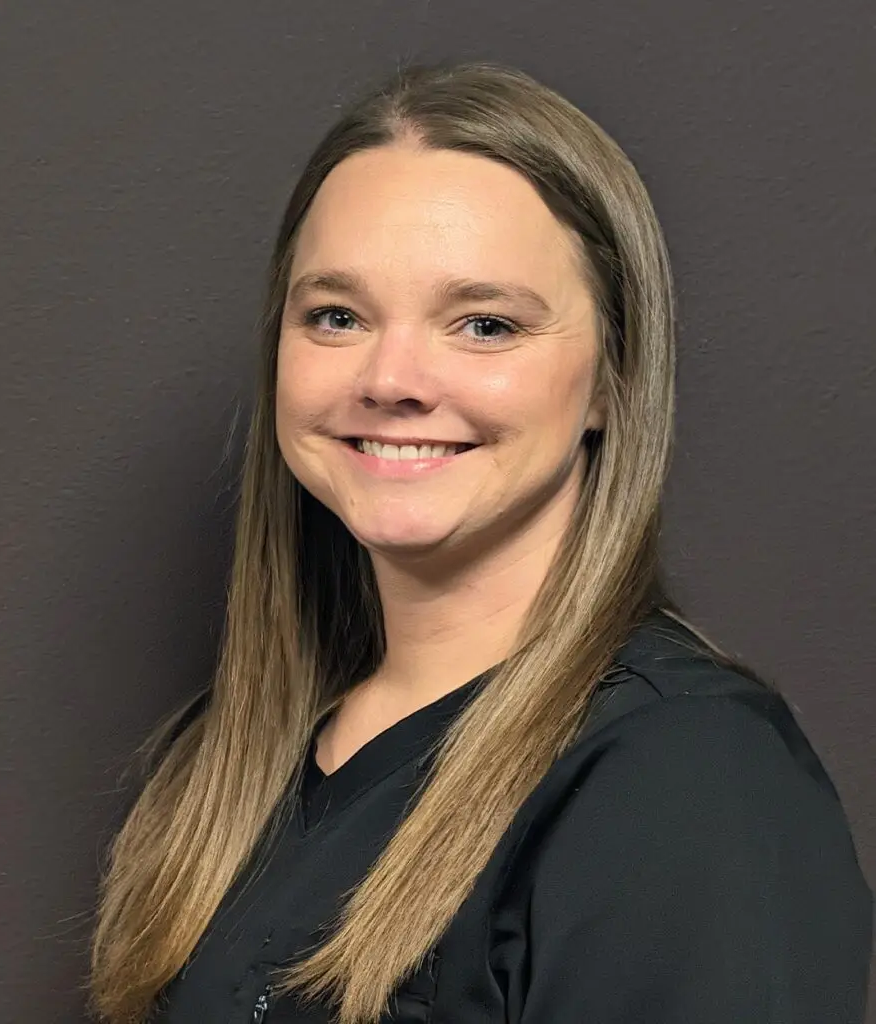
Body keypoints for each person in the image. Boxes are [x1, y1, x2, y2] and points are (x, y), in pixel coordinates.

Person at [88, 59, 873, 1024]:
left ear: (610, 382)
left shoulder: (686, 777)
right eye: (337, 315)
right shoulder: (232, 770)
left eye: (484, 324)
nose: (393, 377)